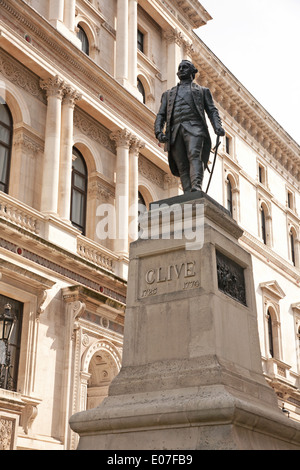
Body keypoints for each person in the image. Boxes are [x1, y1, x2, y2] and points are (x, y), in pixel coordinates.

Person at [154, 60, 225, 193]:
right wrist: (158, 131)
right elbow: (161, 115)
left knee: (194, 154)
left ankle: (196, 186)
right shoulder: (168, 94)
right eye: (180, 68)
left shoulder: (203, 91)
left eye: (185, 67)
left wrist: (217, 127)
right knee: (181, 164)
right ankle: (188, 192)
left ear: (192, 72)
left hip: (195, 128)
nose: (181, 70)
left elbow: (212, 110)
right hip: (175, 131)